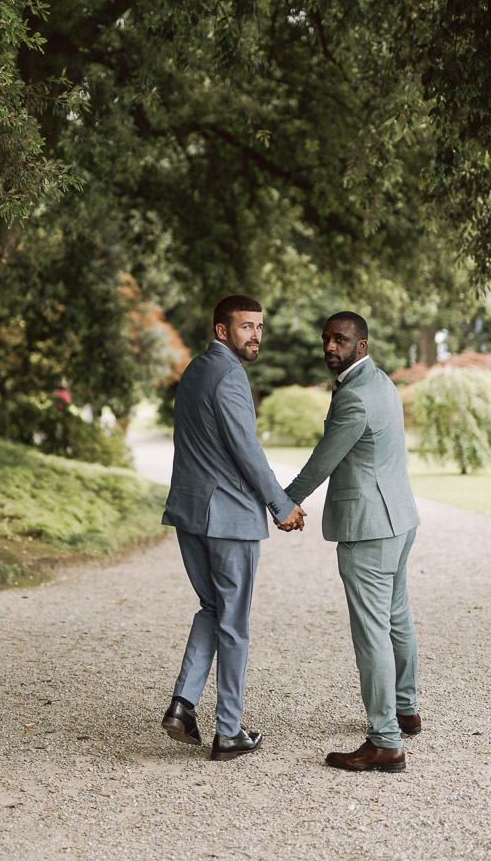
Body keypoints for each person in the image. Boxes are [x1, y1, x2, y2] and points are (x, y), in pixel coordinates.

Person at [160, 295, 305, 761]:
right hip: (229, 519)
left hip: (190, 513)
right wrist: (280, 504)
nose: (256, 335)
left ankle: (183, 704)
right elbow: (247, 449)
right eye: (246, 327)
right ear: (222, 330)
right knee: (234, 624)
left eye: (259, 327)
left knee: (212, 607)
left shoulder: (194, 371)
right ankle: (228, 731)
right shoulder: (230, 375)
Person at [284, 311, 420, 772]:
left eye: (340, 339)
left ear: (360, 345)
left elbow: (324, 459)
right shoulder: (380, 381)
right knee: (396, 618)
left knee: (372, 633)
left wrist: (285, 500)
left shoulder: (355, 396)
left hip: (370, 528)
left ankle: (386, 742)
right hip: (399, 519)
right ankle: (405, 710)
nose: (329, 346)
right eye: (326, 338)